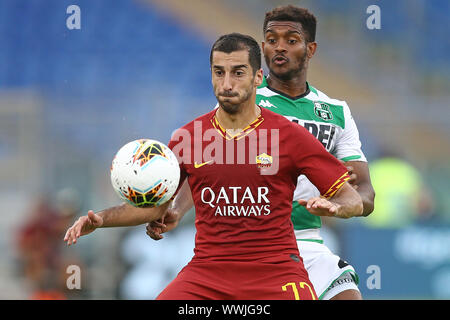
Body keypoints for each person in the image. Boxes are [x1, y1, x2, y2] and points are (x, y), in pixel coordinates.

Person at [64, 33, 363, 300]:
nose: (227, 83)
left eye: (238, 72)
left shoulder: (290, 136)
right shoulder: (188, 138)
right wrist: (101, 219)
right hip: (207, 275)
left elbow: (351, 198)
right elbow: (156, 208)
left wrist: (337, 207)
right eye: (219, 73)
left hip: (275, 273)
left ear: (258, 77)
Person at [147, 6, 375, 300]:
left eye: (291, 40)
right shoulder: (246, 101)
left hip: (306, 240)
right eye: (271, 39)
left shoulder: (336, 112)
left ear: (311, 48)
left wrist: (345, 206)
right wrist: (178, 208)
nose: (279, 47)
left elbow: (364, 192)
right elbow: (209, 161)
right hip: (251, 246)